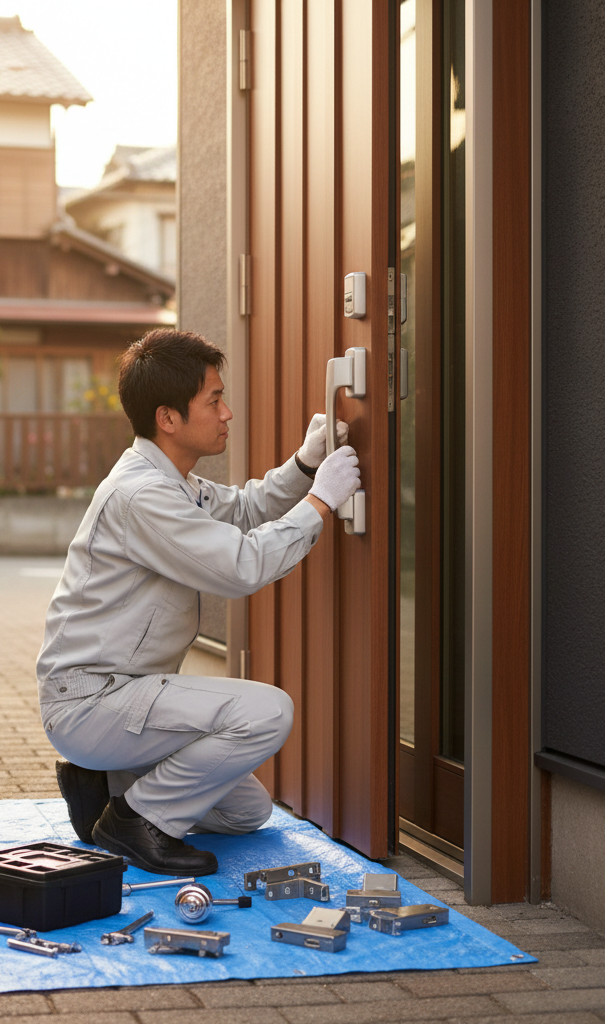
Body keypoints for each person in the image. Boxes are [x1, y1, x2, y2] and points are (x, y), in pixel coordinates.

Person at [37, 328, 360, 874]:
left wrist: (304, 466)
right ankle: (135, 821)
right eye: (214, 400)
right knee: (267, 710)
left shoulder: (172, 483)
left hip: (128, 697)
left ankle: (105, 783)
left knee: (247, 813)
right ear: (168, 418)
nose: (227, 412)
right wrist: (320, 502)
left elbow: (243, 509)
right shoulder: (143, 494)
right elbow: (239, 564)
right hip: (93, 700)